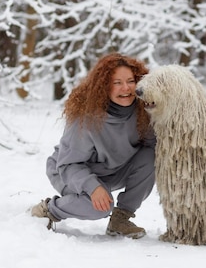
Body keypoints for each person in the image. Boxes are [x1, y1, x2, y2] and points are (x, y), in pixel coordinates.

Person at [30, 53, 156, 239]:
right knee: (99, 208)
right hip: (68, 171)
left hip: (113, 170)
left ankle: (121, 219)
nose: (126, 88)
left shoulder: (142, 112)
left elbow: (152, 145)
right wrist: (92, 187)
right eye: (117, 83)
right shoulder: (86, 118)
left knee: (151, 155)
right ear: (104, 86)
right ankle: (49, 210)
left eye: (131, 81)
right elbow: (68, 164)